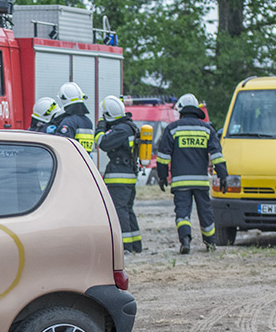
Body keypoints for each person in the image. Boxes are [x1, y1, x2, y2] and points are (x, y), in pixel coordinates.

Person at [156, 93, 228, 254]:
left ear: (180, 110)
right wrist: (223, 175)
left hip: (180, 182)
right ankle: (210, 243)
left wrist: (162, 176)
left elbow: (163, 157)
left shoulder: (173, 129)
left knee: (182, 213)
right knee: (206, 213)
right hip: (201, 182)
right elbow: (216, 154)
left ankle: (185, 240)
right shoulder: (206, 128)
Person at [95, 95, 142, 253]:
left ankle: (125, 247)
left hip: (119, 175)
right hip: (129, 173)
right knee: (128, 209)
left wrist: (101, 127)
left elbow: (102, 143)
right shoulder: (130, 126)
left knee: (119, 209)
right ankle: (136, 245)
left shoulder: (120, 130)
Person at [54, 82, 94, 152]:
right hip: (84, 160)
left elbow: (61, 146)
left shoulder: (68, 122)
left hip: (71, 160)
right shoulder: (88, 121)